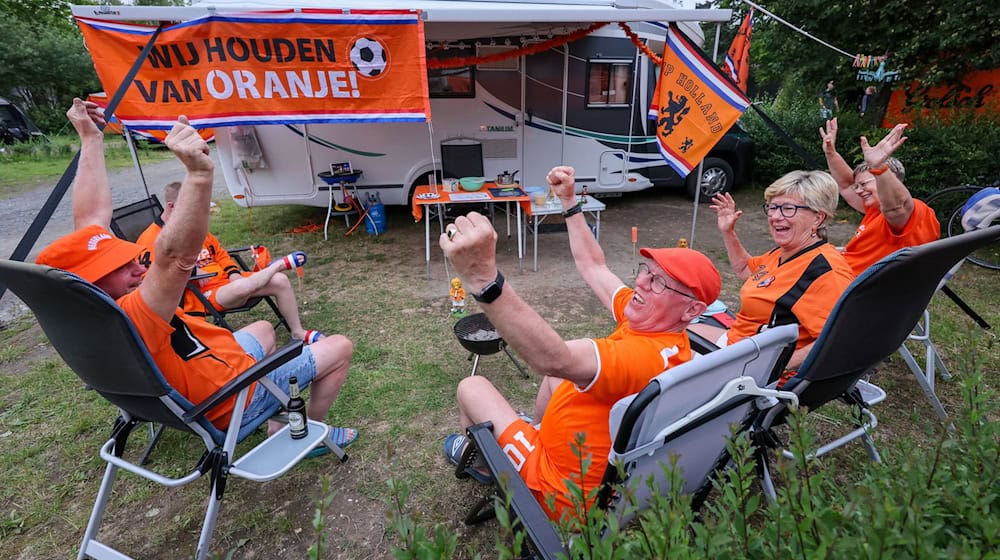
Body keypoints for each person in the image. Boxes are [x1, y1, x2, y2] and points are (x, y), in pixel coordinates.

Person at [35, 99, 356, 454]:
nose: (139, 268)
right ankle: (304, 435)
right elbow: (174, 258)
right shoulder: (137, 314)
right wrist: (200, 175)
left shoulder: (85, 311)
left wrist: (91, 138)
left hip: (200, 368)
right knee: (339, 347)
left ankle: (278, 410)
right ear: (93, 286)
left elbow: (92, 218)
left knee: (264, 329)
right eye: (122, 269)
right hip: (229, 399)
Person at [439, 165, 721, 522]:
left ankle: (485, 463)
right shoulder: (662, 330)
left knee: (472, 387)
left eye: (661, 283)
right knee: (558, 382)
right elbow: (593, 266)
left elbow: (552, 358)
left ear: (693, 310)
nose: (642, 285)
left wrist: (483, 278)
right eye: (646, 272)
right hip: (596, 466)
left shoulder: (640, 357)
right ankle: (533, 432)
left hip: (559, 489)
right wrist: (570, 202)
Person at [691, 170, 854, 383]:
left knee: (663, 349)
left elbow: (835, 342)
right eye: (773, 207)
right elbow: (745, 271)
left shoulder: (824, 272)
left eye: (788, 209)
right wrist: (728, 231)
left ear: (818, 217)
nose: (776, 216)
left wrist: (772, 369)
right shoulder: (784, 253)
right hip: (738, 343)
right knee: (672, 329)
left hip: (747, 370)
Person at [136, 181, 324, 344]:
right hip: (204, 296)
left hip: (229, 281)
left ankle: (298, 332)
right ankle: (276, 265)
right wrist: (189, 273)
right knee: (242, 288)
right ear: (172, 206)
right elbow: (150, 282)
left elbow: (220, 254)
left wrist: (233, 273)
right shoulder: (150, 240)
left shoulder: (193, 228)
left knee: (280, 281)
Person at [819, 118, 940, 275]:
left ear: (892, 178)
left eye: (864, 184)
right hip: (840, 273)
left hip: (851, 285)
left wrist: (879, 167)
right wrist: (831, 153)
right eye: (858, 186)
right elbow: (846, 185)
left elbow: (897, 207)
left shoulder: (910, 212)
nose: (858, 191)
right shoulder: (875, 210)